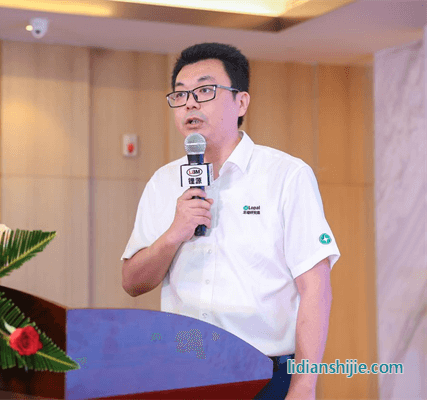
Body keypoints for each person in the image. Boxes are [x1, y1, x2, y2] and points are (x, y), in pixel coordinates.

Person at [121, 43, 340, 400]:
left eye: (205, 91)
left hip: (265, 375)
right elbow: (132, 282)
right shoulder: (163, 182)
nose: (190, 104)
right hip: (182, 373)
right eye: (180, 94)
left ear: (241, 102)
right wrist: (173, 235)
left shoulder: (286, 175)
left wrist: (304, 385)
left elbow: (315, 289)